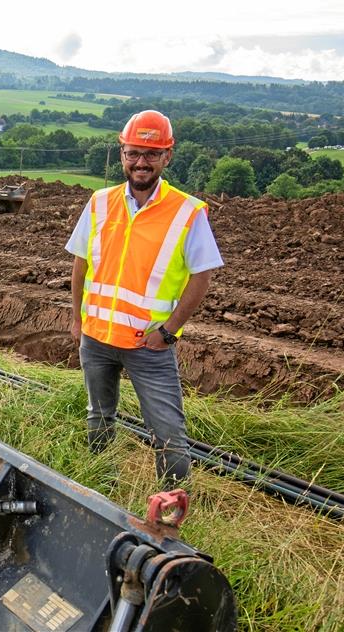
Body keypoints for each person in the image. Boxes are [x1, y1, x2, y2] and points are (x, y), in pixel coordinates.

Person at [66, 110, 223, 487]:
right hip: (97, 339)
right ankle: (98, 487)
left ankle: (170, 510)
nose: (141, 162)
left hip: (148, 346)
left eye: (152, 154)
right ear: (122, 153)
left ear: (167, 157)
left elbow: (202, 277)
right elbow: (80, 263)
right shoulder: (100, 202)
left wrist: (168, 333)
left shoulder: (188, 212)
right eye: (134, 153)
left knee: (169, 434)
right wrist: (77, 319)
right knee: (98, 419)